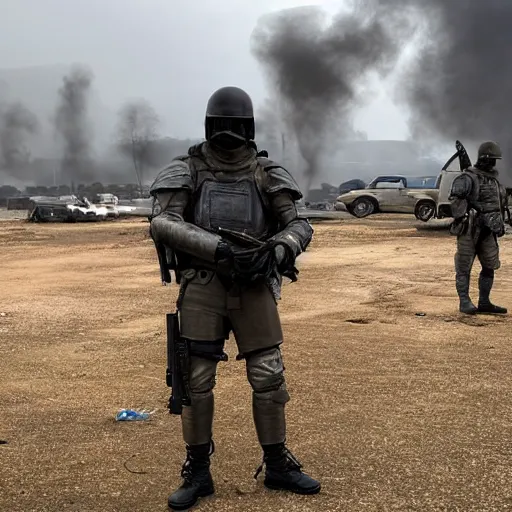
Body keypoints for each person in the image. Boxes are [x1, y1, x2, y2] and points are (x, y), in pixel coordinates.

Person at [149, 86, 320, 510]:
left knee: (268, 375)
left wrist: (279, 249)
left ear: (248, 128)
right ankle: (198, 471)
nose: (228, 133)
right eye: (221, 125)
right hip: (204, 283)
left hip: (255, 282)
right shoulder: (186, 168)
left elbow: (299, 224)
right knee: (196, 380)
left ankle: (277, 462)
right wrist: (217, 248)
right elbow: (163, 222)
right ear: (209, 126)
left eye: (235, 126)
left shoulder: (266, 171)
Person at [449, 140, 508, 315]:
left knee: (490, 265)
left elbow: (500, 204)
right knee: (464, 266)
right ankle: (464, 301)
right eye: (491, 160)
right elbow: (455, 200)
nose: (493, 163)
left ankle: (484, 302)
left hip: (489, 229)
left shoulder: (494, 181)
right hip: (469, 229)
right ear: (484, 159)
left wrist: (498, 222)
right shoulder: (468, 178)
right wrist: (466, 213)